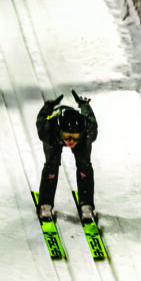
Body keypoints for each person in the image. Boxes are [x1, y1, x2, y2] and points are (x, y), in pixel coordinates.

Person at [36, 90, 98, 223]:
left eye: (74, 136)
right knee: (51, 166)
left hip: (78, 139)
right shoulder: (48, 130)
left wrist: (84, 104)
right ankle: (45, 204)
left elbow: (89, 115)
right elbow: (41, 118)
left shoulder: (89, 132)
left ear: (81, 133)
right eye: (67, 136)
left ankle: (86, 205)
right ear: (59, 130)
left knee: (84, 166)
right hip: (55, 138)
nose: (70, 141)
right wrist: (48, 106)